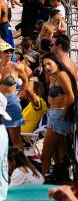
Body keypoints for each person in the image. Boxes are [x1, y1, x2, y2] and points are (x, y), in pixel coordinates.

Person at [41, 51, 76, 180]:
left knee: (45, 156)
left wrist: (63, 114)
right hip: (53, 116)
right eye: (44, 65)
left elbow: (71, 96)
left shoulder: (62, 75)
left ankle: (44, 189)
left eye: (49, 64)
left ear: (57, 62)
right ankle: (64, 185)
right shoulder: (53, 77)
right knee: (59, 157)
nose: (47, 67)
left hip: (58, 117)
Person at [0, 42, 28, 149]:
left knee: (15, 139)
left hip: (11, 102)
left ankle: (19, 164)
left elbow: (26, 81)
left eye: (11, 51)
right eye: (6, 51)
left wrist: (19, 96)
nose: (9, 53)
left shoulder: (16, 67)